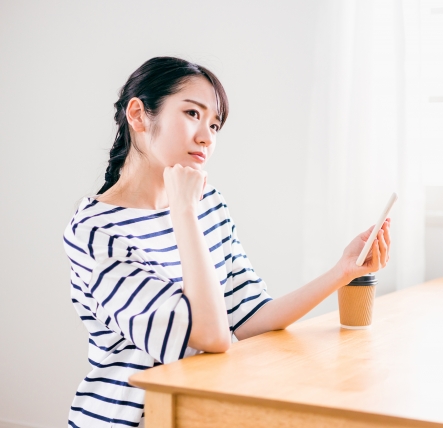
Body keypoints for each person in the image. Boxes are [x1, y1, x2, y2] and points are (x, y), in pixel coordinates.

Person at [62, 56, 391, 427]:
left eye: (215, 124)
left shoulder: (208, 204)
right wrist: (184, 213)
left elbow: (250, 316)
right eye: (192, 114)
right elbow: (211, 335)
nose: (206, 136)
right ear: (138, 115)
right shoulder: (97, 230)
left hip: (202, 411)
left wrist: (342, 272)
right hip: (133, 418)